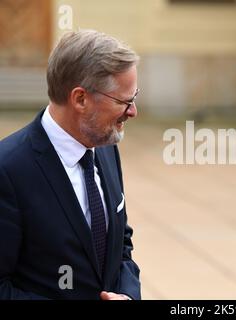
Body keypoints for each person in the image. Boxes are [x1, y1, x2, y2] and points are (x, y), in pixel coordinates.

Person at [0, 30, 141, 300]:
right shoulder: (8, 171)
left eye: (134, 97)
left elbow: (121, 244)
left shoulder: (107, 147)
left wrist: (128, 295)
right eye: (125, 101)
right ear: (80, 99)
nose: (133, 111)